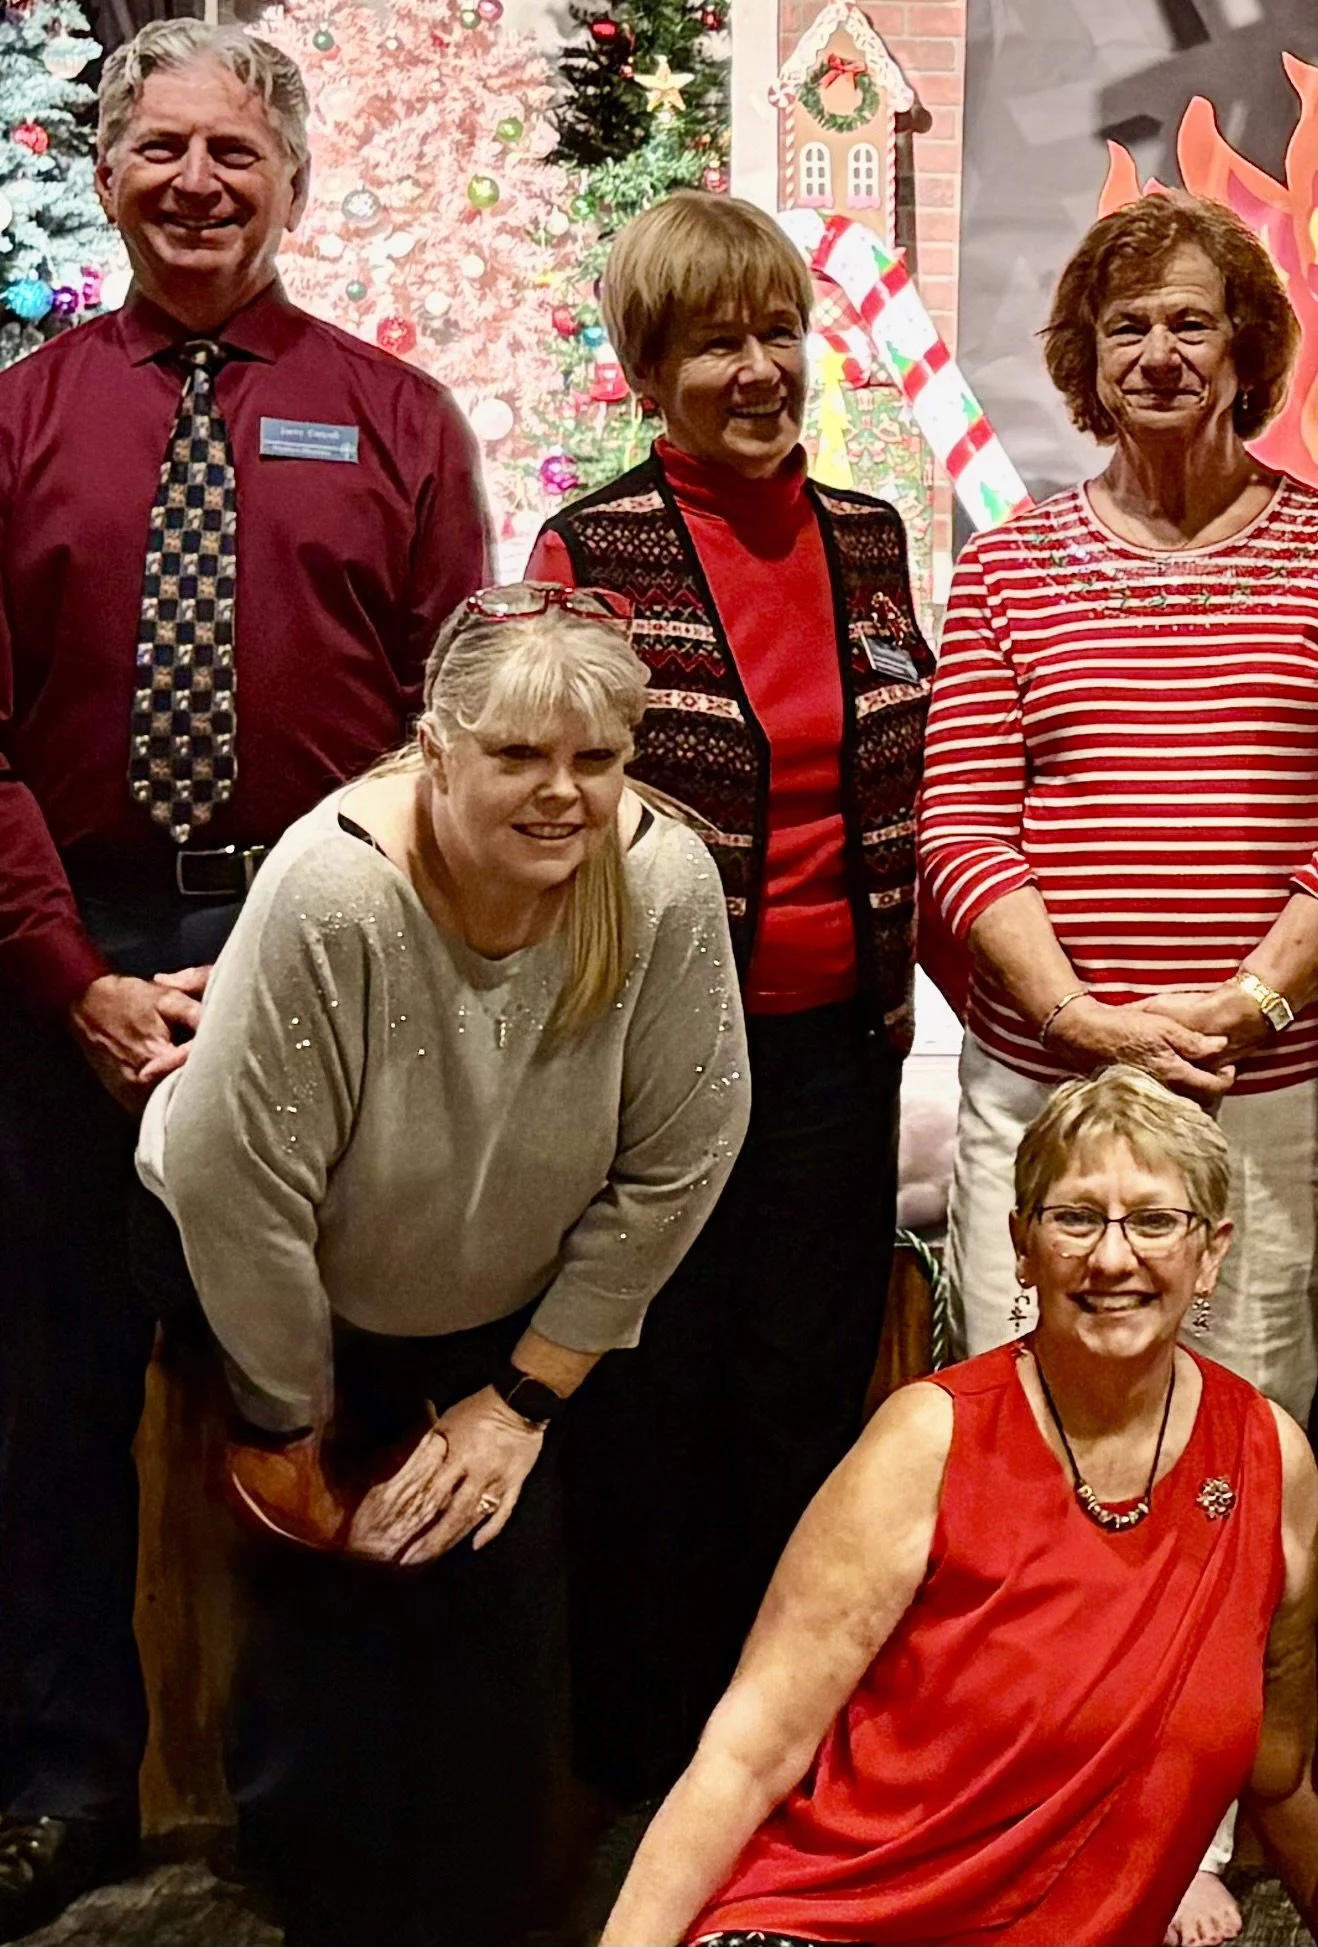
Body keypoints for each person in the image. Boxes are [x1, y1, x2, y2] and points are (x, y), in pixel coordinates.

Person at [0, 20, 489, 1938]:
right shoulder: (23, 418)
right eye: (163, 149)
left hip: (323, 962)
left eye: (235, 152)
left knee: (309, 1386)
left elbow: (455, 728)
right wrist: (73, 981)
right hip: (59, 968)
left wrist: (306, 946)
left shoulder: (394, 417)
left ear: (291, 178)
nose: (197, 182)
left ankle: (314, 1803)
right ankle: (63, 1785)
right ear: (106, 172)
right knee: (45, 1397)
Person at [133, 585, 750, 1946]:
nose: (561, 792)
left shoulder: (661, 883)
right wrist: (286, 1419)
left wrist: (522, 1400)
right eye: (518, 754)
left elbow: (683, 1153)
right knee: (323, 1660)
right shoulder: (333, 890)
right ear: (434, 747)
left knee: (490, 1666)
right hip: (284, 1286)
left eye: (594, 758)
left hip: (500, 1302)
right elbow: (240, 1191)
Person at [918, 191, 1315, 1942]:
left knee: (1234, 1444)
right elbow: (957, 827)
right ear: (1082, 361)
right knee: (1034, 1443)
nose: (1157, 352)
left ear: (1246, 348)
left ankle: (1194, 1825)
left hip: (1263, 1099)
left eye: (1189, 320)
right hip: (1042, 1092)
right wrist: (1085, 1019)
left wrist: (1240, 1007)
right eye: (1122, 327)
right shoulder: (1013, 563)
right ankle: (1044, 1795)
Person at [526, 188, 931, 1802]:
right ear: (646, 372)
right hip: (656, 1070)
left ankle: (787, 1749)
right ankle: (647, 1770)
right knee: (655, 1406)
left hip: (840, 1057)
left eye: (777, 330)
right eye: (713, 343)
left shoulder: (868, 538)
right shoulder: (593, 551)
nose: (759, 368)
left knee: (800, 1407)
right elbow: (542, 805)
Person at [601, 1065, 1318, 1947]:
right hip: (835, 1924)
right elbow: (749, 1752)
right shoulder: (930, 1439)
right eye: (1075, 1217)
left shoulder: (1267, 1459)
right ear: (1021, 1244)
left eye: (1155, 1220)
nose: (1112, 1257)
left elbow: (1279, 1771)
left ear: (1211, 1252)